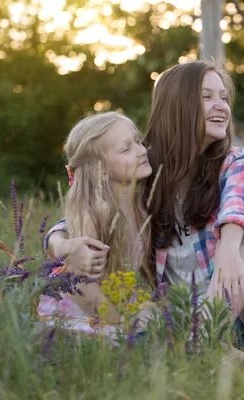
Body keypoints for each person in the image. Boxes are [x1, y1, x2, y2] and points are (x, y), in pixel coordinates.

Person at [47, 61, 244, 347]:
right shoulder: (147, 169)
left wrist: (228, 247)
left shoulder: (237, 162)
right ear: (178, 106)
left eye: (224, 97)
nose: (221, 105)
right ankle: (201, 343)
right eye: (207, 97)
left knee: (243, 243)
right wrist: (63, 246)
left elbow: (238, 210)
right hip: (197, 314)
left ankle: (201, 346)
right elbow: (83, 218)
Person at [38, 111, 152, 335]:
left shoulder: (140, 204)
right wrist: (122, 323)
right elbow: (82, 285)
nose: (142, 150)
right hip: (81, 311)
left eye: (139, 141)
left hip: (116, 301)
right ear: (101, 171)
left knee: (166, 321)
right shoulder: (98, 211)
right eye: (127, 149)